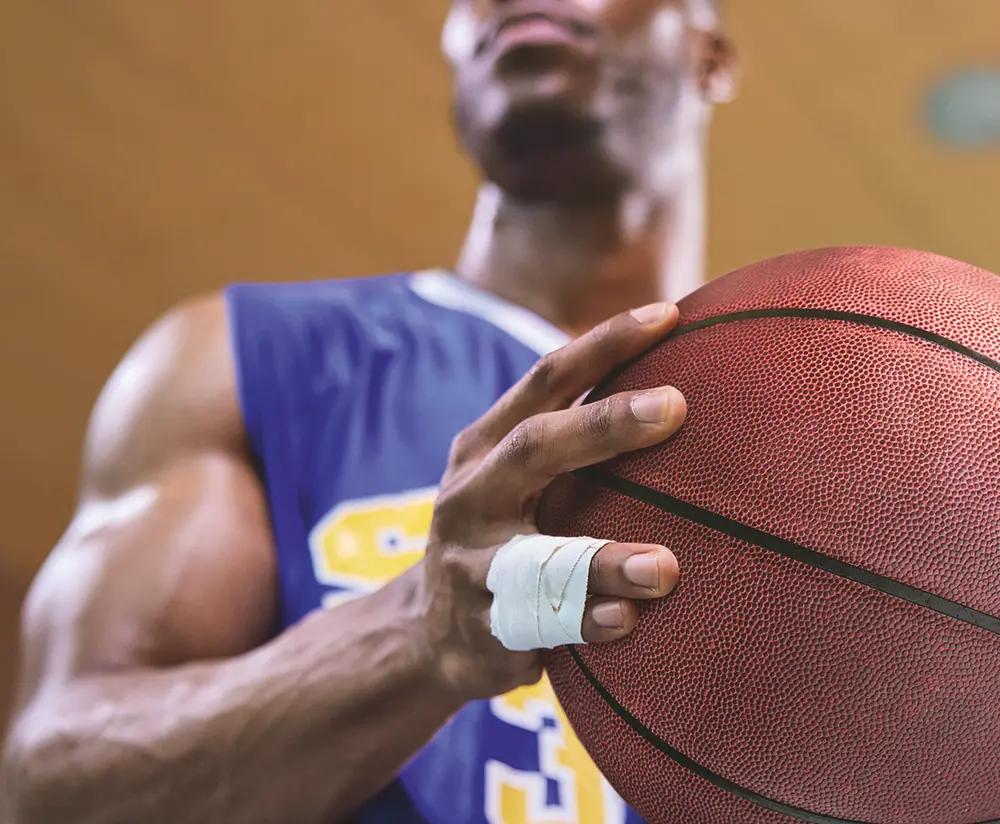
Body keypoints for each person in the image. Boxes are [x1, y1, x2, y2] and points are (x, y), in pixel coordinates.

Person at [0, 0, 737, 822]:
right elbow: (53, 791)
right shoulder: (244, 357)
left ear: (711, 57)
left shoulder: (779, 458)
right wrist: (418, 636)